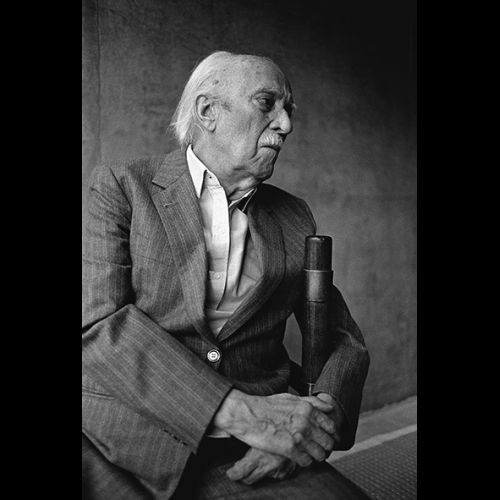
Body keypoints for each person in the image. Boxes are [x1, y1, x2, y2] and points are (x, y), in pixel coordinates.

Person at [82, 50, 370, 499]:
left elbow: (342, 338)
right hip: (126, 431)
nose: (285, 125)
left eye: (288, 111)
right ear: (208, 111)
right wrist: (240, 412)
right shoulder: (123, 187)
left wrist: (312, 423)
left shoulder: (294, 217)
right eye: (267, 103)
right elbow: (100, 323)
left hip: (252, 444)